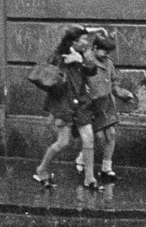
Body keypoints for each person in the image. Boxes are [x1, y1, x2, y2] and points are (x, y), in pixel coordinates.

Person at [31, 26, 99, 189]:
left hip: (82, 103)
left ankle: (89, 178)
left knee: (89, 138)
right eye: (83, 39)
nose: (86, 42)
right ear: (73, 41)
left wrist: (80, 60)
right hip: (64, 105)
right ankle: (42, 169)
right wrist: (67, 61)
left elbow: (93, 71)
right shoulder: (59, 56)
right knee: (63, 143)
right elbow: (50, 76)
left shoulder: (83, 55)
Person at [86, 31, 135, 183]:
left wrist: (123, 93)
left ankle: (106, 168)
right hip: (92, 104)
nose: (107, 54)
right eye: (104, 51)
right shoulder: (86, 61)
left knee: (111, 134)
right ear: (94, 48)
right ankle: (82, 158)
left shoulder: (108, 62)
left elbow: (114, 83)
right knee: (98, 136)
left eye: (109, 52)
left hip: (107, 104)